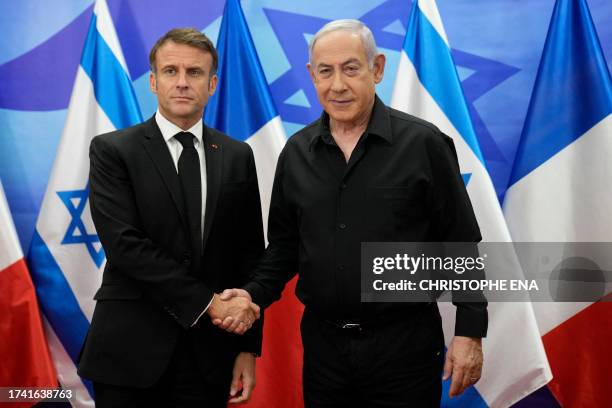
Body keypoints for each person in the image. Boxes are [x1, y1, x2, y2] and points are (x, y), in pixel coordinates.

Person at [216, 19, 487, 407]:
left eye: (351, 68)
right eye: (325, 71)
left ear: (377, 69)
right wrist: (252, 296)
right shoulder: (296, 153)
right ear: (312, 75)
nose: (337, 85)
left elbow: (461, 244)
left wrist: (469, 332)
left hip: (404, 349)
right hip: (324, 351)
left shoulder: (423, 144)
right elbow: (284, 248)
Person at [78, 28, 264, 407]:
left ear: (212, 84)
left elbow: (247, 255)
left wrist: (247, 348)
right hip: (129, 355)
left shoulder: (237, 155)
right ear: (153, 81)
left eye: (194, 73)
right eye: (170, 71)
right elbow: (126, 246)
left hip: (209, 358)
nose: (182, 82)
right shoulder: (113, 150)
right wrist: (210, 304)